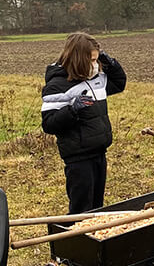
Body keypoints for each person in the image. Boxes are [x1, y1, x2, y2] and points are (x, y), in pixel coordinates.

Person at [41, 32, 127, 215]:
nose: (95, 66)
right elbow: (49, 124)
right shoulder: (57, 86)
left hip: (99, 152)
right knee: (81, 208)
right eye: (92, 61)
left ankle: (95, 238)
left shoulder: (96, 79)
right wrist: (72, 110)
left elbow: (119, 83)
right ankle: (76, 240)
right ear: (78, 60)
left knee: (97, 206)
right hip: (78, 158)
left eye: (97, 60)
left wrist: (107, 60)